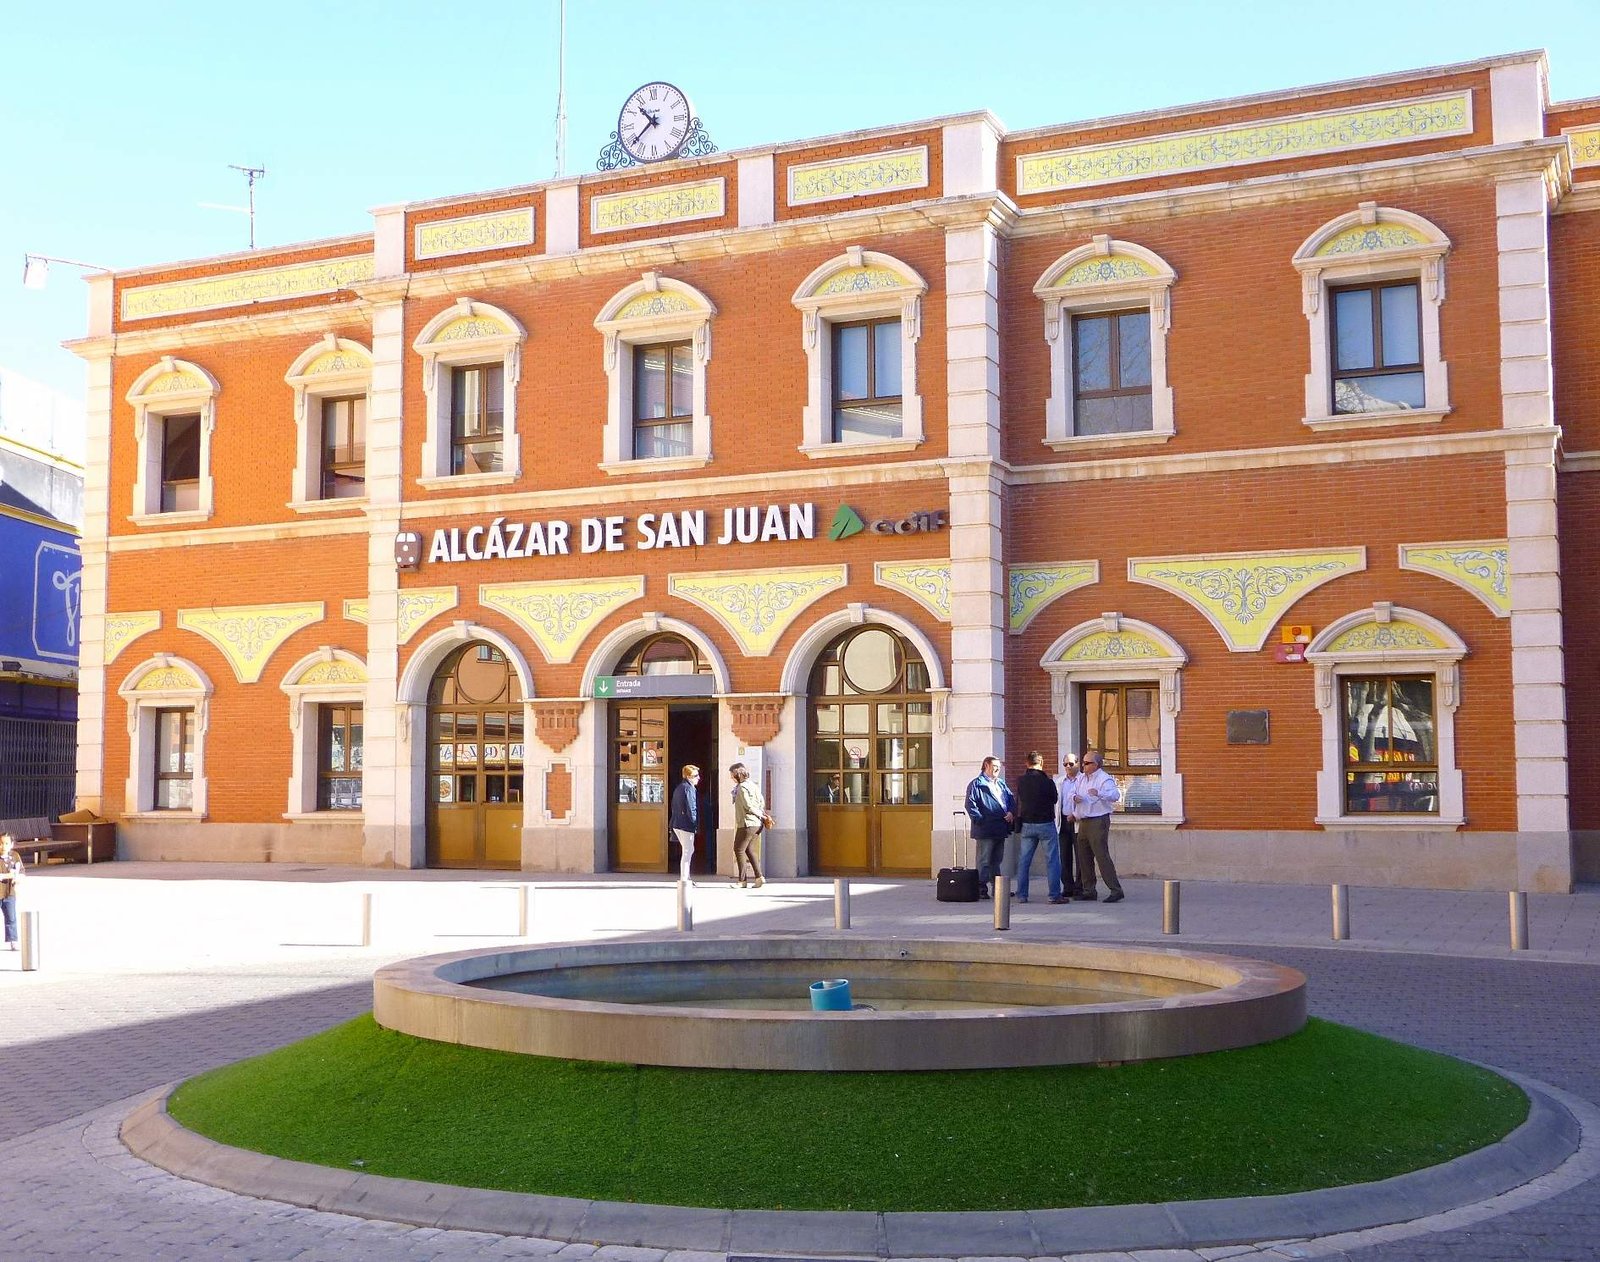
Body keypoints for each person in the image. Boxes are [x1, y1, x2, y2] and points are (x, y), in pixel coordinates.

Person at [1067, 750, 1124, 903]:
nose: (1083, 766)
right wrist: (1074, 799)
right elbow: (1071, 792)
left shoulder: (1104, 779)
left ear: (1096, 765)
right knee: (1083, 856)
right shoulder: (1081, 779)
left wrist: (1099, 793)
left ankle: (1115, 889)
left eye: (1087, 763)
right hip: (1083, 820)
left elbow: (1115, 795)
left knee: (1101, 855)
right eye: (1083, 763)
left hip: (1098, 820)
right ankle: (1089, 890)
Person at [1015, 751, 1065, 904]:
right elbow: (1055, 798)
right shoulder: (1048, 782)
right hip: (1045, 824)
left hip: (1027, 824)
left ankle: (1022, 895)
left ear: (1027, 763)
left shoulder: (1021, 781)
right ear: (1041, 763)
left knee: (1024, 861)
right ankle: (1054, 895)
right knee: (1052, 860)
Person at [963, 756, 1015, 900]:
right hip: (985, 829)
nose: (998, 769)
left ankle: (998, 888)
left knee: (996, 860)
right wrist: (981, 820)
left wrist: (1011, 812)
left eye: (999, 766)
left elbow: (1011, 799)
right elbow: (970, 804)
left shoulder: (1001, 783)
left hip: (1000, 827)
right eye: (995, 766)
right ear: (986, 765)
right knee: (984, 860)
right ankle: (981, 888)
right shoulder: (976, 784)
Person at [729, 763, 766, 888]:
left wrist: (760, 815)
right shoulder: (753, 785)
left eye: (732, 775)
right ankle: (759, 877)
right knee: (749, 850)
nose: (731, 778)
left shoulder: (743, 788)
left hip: (747, 822)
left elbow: (748, 805)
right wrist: (761, 815)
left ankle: (742, 881)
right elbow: (761, 801)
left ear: (737, 775)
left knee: (738, 849)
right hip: (756, 823)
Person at [669, 764, 700, 883]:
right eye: (695, 775)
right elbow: (691, 808)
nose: (698, 778)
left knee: (687, 850)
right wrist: (694, 824)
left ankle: (686, 877)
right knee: (688, 851)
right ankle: (684, 878)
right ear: (688, 776)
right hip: (685, 824)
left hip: (677, 823)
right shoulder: (689, 789)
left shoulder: (680, 787)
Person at [1056, 753, 1081, 897]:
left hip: (1078, 821)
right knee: (1064, 856)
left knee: (1080, 856)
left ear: (1077, 764)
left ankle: (1079, 887)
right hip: (1063, 821)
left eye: (1071, 764)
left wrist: (1076, 814)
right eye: (1065, 764)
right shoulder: (1060, 781)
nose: (1068, 767)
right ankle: (1068, 886)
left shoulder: (1083, 780)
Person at [1, 834, 24, 951]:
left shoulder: (15, 856)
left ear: (11, 845)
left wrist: (18, 877)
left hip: (9, 892)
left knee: (11, 917)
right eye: (1, 843)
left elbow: (21, 871)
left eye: (6, 843)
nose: (3, 846)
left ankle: (13, 940)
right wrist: (7, 875)